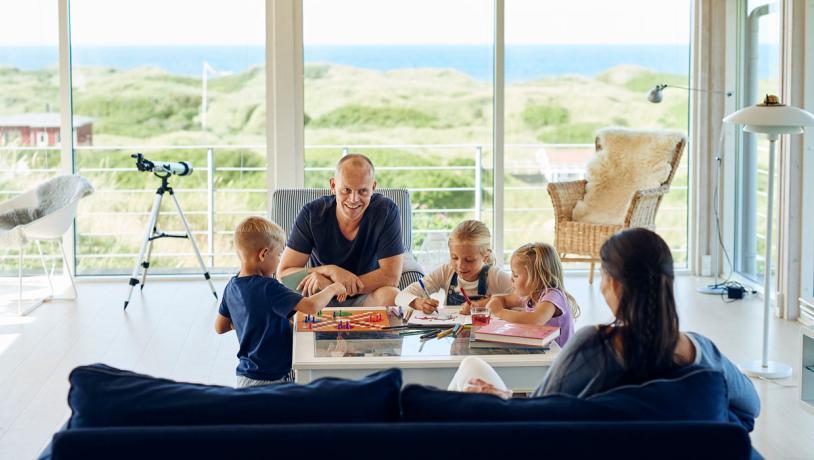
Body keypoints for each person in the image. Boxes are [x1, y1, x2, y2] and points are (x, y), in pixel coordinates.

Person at [448, 228, 760, 431]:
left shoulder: (595, 347)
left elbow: (540, 416)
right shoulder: (702, 353)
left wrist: (505, 397)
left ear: (611, 283)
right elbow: (751, 407)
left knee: (470, 366)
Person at [215, 216, 347, 388]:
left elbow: (220, 327)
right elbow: (311, 306)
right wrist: (334, 288)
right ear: (263, 254)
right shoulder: (268, 287)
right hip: (269, 379)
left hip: (245, 376)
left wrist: (252, 319)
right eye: (278, 255)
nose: (279, 261)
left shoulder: (231, 286)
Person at [277, 154, 403, 307]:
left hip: (365, 295)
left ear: (373, 188)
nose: (354, 199)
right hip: (321, 298)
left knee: (392, 297)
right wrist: (329, 270)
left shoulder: (387, 211)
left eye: (363, 191)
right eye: (346, 190)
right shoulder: (312, 213)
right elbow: (283, 274)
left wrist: (335, 287)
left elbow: (391, 276)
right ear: (333, 185)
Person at [394, 220, 512, 314]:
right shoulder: (446, 271)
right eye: (454, 258)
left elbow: (523, 300)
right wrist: (417, 302)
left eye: (469, 260)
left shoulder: (495, 276)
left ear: (485, 256)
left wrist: (484, 304)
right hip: (452, 336)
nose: (460, 265)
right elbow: (400, 296)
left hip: (485, 337)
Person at [483, 242, 579, 348]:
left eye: (516, 275)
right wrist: (493, 301)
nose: (511, 279)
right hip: (543, 351)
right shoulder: (531, 295)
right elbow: (505, 300)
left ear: (536, 278)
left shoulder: (553, 297)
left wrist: (499, 311)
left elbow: (535, 320)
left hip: (560, 358)